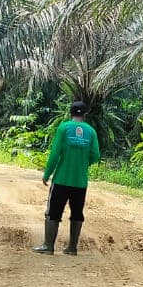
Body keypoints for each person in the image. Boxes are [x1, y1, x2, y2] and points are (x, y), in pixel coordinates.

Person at [33, 101, 101, 255]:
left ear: (70, 113)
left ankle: (48, 246)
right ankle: (72, 247)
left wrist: (47, 173)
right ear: (85, 115)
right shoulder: (90, 131)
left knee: (53, 212)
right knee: (77, 213)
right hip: (80, 182)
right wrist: (83, 163)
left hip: (61, 180)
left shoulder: (64, 128)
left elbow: (55, 153)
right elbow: (96, 155)